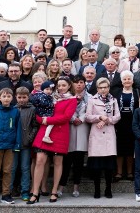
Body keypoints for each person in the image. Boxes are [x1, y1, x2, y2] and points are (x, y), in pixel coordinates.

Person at [28, 76, 77, 204]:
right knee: (39, 160)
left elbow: (66, 117)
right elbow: (39, 110)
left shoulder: (72, 100)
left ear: (69, 86)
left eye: (63, 85)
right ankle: (35, 192)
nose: (60, 88)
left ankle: (54, 191)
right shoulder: (50, 97)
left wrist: (47, 120)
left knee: (57, 162)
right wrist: (40, 119)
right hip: (44, 130)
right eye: (59, 85)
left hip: (60, 132)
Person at [85, 78, 121, 199]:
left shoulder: (113, 100)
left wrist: (107, 120)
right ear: (97, 88)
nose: (103, 90)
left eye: (105, 87)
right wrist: (100, 117)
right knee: (97, 166)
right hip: (97, 134)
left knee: (109, 166)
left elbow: (117, 116)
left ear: (109, 87)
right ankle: (97, 189)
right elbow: (88, 116)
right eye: (100, 87)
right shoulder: (92, 100)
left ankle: (108, 188)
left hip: (109, 133)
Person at [59, 75, 89, 198]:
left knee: (79, 161)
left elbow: (90, 111)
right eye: (76, 83)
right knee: (67, 160)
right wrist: (73, 118)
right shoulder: (66, 97)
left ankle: (76, 186)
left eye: (81, 82)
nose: (79, 85)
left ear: (84, 84)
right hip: (69, 128)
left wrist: (81, 119)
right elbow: (63, 111)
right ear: (72, 84)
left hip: (82, 128)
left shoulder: (90, 97)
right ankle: (61, 185)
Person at [11, 87, 37, 202]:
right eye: (19, 97)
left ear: (28, 97)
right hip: (13, 144)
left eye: (24, 97)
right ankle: (9, 190)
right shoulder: (12, 109)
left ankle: (25, 191)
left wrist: (30, 137)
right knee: (12, 168)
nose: (21, 100)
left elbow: (35, 125)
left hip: (26, 144)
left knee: (25, 168)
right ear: (16, 97)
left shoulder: (32, 109)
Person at [114, 71, 140, 182]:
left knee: (130, 148)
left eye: (129, 79)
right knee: (119, 148)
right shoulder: (116, 92)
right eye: (125, 79)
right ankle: (119, 172)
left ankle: (129, 172)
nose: (127, 81)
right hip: (119, 123)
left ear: (132, 80)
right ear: (121, 81)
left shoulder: (137, 92)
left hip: (133, 122)